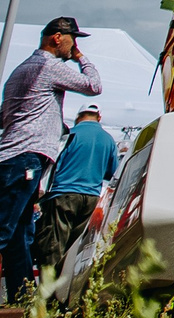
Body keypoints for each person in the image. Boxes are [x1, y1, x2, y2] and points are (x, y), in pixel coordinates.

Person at [0, 17, 101, 299]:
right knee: (6, 231)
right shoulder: (49, 66)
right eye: (73, 39)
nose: (74, 46)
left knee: (19, 236)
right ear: (57, 38)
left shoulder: (22, 70)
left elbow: (6, 116)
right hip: (25, 157)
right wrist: (81, 58)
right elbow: (94, 85)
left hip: (17, 157)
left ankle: (20, 298)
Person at [36, 106, 117, 276]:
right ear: (99, 117)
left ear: (78, 116)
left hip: (63, 194)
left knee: (54, 245)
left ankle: (49, 295)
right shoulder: (108, 140)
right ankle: (66, 292)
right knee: (75, 248)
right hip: (91, 198)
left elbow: (52, 163)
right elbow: (112, 172)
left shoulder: (70, 135)